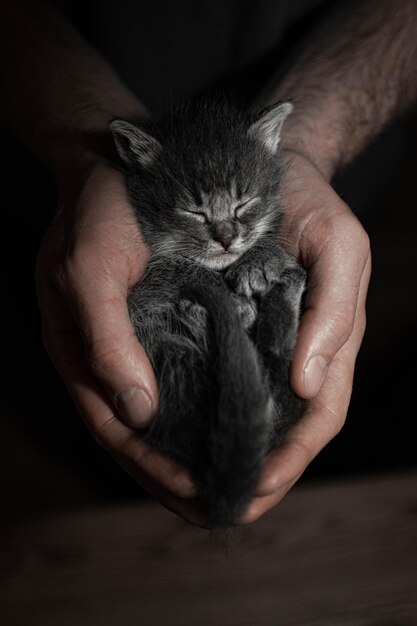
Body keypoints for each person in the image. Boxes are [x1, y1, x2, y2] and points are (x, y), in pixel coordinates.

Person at [0, 0, 415, 525]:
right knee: (84, 398)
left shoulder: (265, 190)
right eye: (198, 217)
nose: (228, 236)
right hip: (48, 182)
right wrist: (83, 158)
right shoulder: (148, 215)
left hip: (332, 110)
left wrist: (304, 149)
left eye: (243, 211)